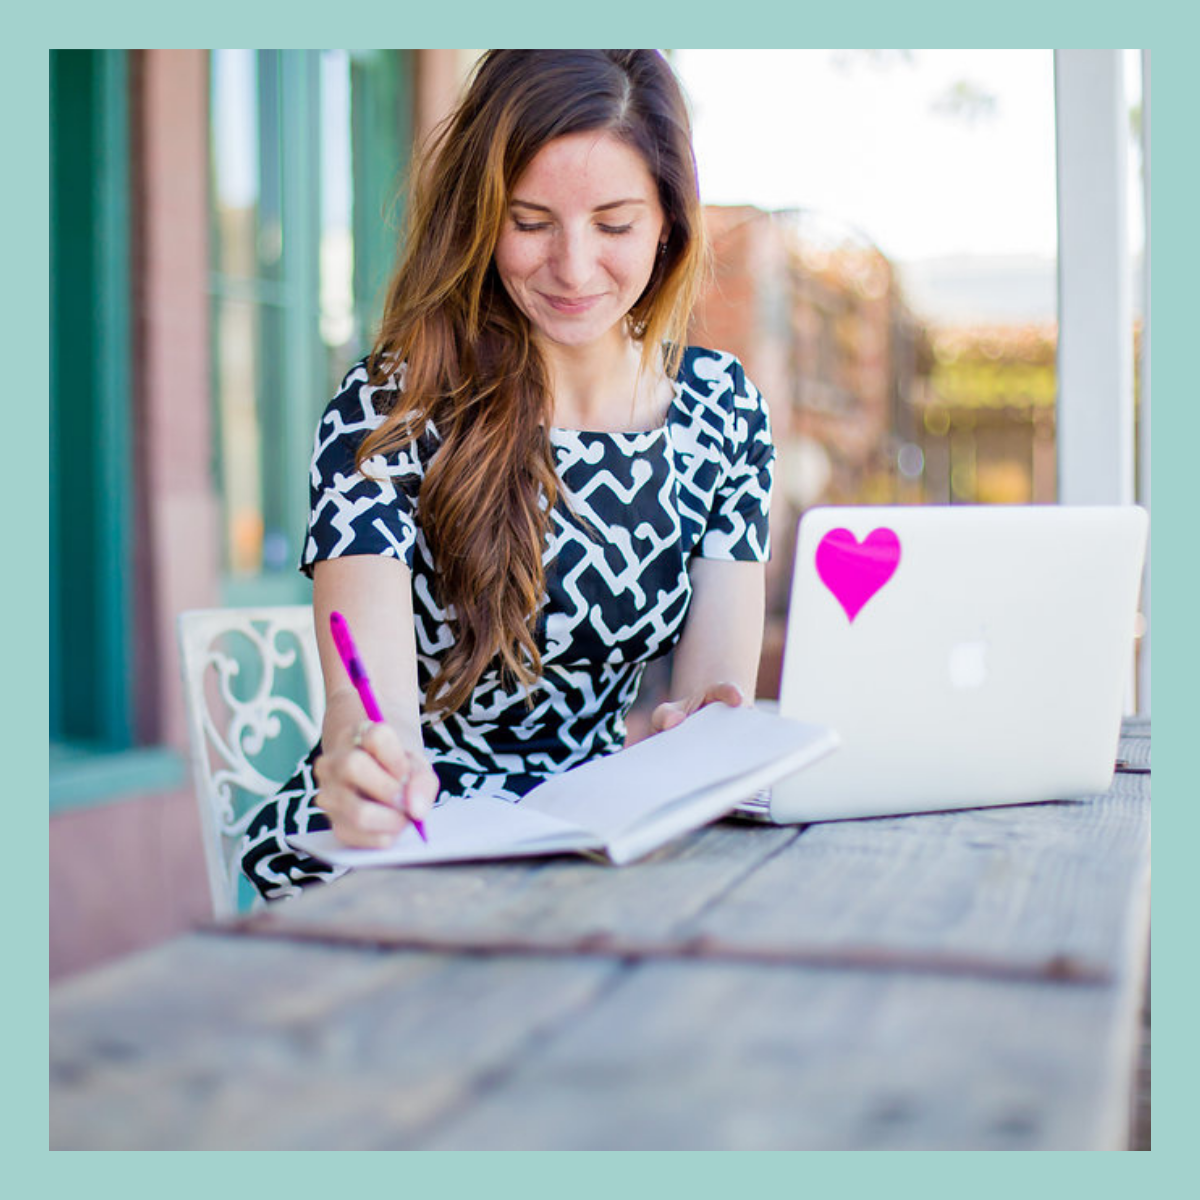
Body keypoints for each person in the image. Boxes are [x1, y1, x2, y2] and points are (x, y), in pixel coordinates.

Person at [240, 49, 775, 901]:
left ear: (668, 222)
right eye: (530, 221)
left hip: (597, 857)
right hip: (402, 852)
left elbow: (713, 708)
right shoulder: (390, 409)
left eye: (614, 223)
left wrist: (696, 737)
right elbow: (368, 717)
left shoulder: (722, 410)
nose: (571, 266)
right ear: (480, 219)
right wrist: (360, 764)